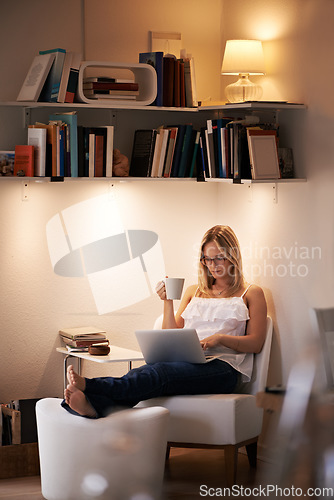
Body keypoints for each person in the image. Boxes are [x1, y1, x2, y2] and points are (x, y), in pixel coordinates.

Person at [62, 225, 267, 418]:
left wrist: (220, 339)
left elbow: (256, 343)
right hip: (190, 362)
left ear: (233, 257)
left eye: (219, 258)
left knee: (160, 373)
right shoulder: (194, 291)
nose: (212, 265)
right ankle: (93, 406)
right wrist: (167, 301)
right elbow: (171, 334)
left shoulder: (251, 293)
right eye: (207, 259)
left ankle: (90, 386)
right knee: (144, 373)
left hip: (225, 368)